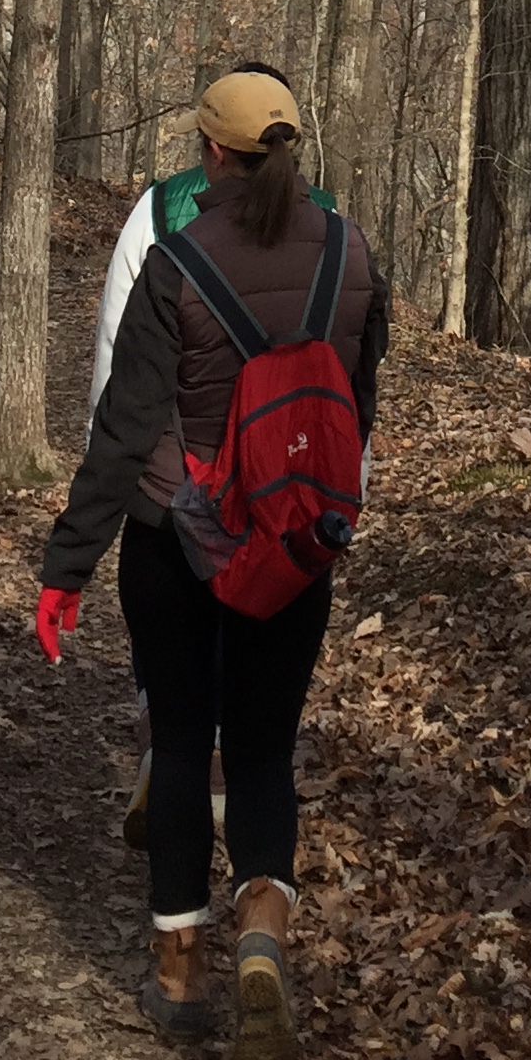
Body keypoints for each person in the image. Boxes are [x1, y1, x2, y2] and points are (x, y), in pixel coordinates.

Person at [36, 67, 389, 1060]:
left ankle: (181, 977)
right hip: (293, 546)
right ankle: (263, 934)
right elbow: (356, 407)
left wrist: (66, 567)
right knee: (266, 749)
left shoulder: (179, 261)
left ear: (210, 154)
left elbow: (124, 427)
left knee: (185, 746)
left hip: (176, 539)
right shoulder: (351, 255)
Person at [86, 62, 329, 849]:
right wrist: (342, 485)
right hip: (287, 483)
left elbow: (116, 354)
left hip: (178, 483)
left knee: (171, 641)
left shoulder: (159, 209)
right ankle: (232, 794)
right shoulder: (330, 226)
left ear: (213, 142)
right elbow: (344, 376)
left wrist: (109, 474)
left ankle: (170, 759)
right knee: (256, 636)